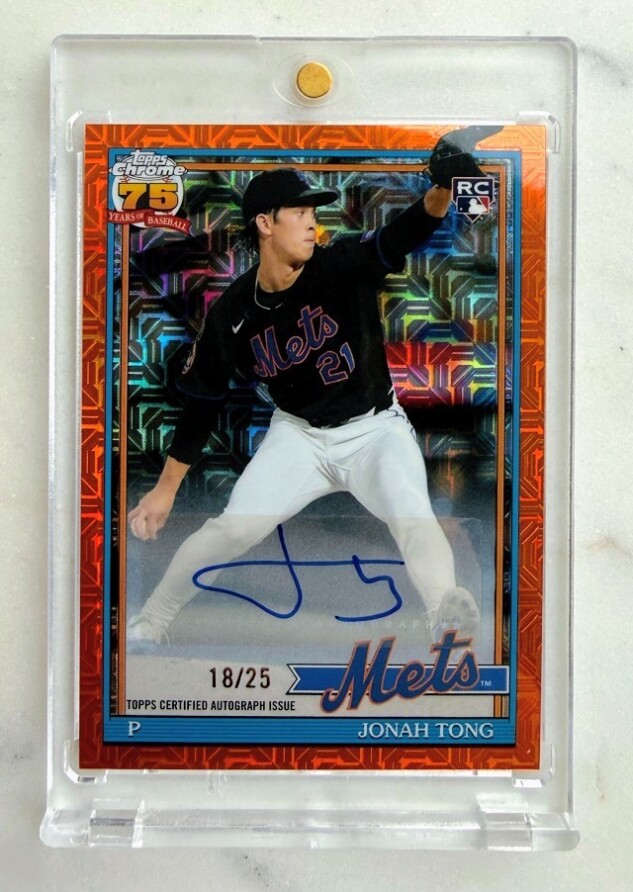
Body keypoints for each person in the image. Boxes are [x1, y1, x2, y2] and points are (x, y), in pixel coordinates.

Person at [127, 130, 491, 645]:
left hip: (374, 432)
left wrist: (441, 188)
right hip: (298, 437)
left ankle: (445, 619)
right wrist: (165, 491)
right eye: (299, 212)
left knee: (412, 514)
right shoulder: (232, 313)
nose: (311, 222)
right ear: (265, 223)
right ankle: (152, 620)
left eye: (312, 212)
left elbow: (405, 231)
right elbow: (203, 402)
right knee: (232, 529)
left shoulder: (341, 265)